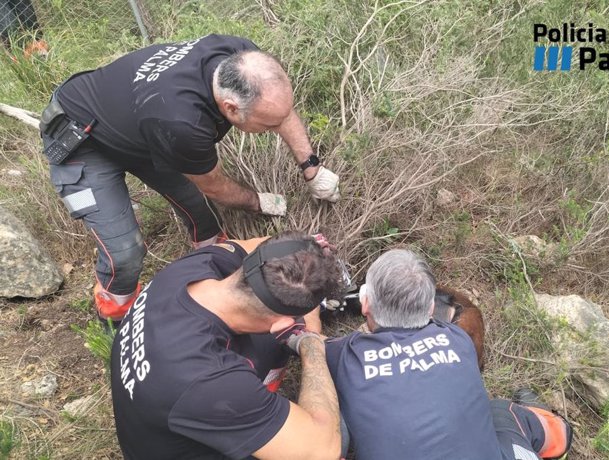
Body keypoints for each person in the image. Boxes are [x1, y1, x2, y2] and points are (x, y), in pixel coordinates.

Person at [38, 34, 340, 323]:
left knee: (202, 214)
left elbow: (281, 111)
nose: (273, 128)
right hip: (82, 139)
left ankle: (212, 272)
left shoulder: (242, 59)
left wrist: (311, 168)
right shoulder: (182, 124)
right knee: (125, 252)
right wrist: (258, 203)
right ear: (231, 109)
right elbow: (216, 187)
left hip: (141, 125)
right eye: (267, 125)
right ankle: (116, 315)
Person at [110, 231, 343, 459]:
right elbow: (323, 450)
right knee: (339, 434)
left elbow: (256, 244)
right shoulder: (210, 380)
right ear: (282, 322)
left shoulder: (196, 266)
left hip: (160, 423)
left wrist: (309, 247)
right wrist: (310, 341)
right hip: (192, 442)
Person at [325, 249, 573, 460]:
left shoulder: (344, 354)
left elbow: (312, 342)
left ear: (365, 304)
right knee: (501, 412)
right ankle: (558, 432)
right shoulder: (459, 340)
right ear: (432, 308)